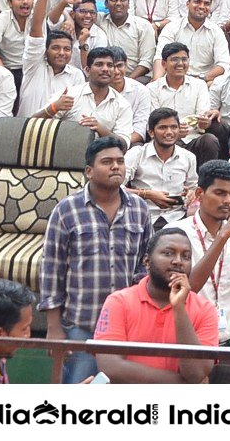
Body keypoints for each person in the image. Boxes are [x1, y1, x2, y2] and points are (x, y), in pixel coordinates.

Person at [37, 136, 154, 385]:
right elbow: (51, 269)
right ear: (89, 171)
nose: (116, 167)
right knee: (79, 395)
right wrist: (54, 327)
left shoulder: (139, 209)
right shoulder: (67, 209)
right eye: (107, 162)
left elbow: (145, 266)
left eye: (120, 162)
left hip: (126, 327)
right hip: (82, 324)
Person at [173, 159, 230, 384]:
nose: (227, 201)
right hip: (190, 347)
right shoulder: (177, 233)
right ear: (199, 193)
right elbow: (187, 289)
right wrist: (223, 236)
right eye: (219, 193)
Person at [92, 227, 219, 384]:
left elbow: (195, 373)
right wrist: (183, 385)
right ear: (147, 261)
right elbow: (110, 367)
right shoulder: (119, 301)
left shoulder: (205, 310)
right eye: (168, 253)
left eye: (186, 256)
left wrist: (179, 309)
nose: (178, 261)